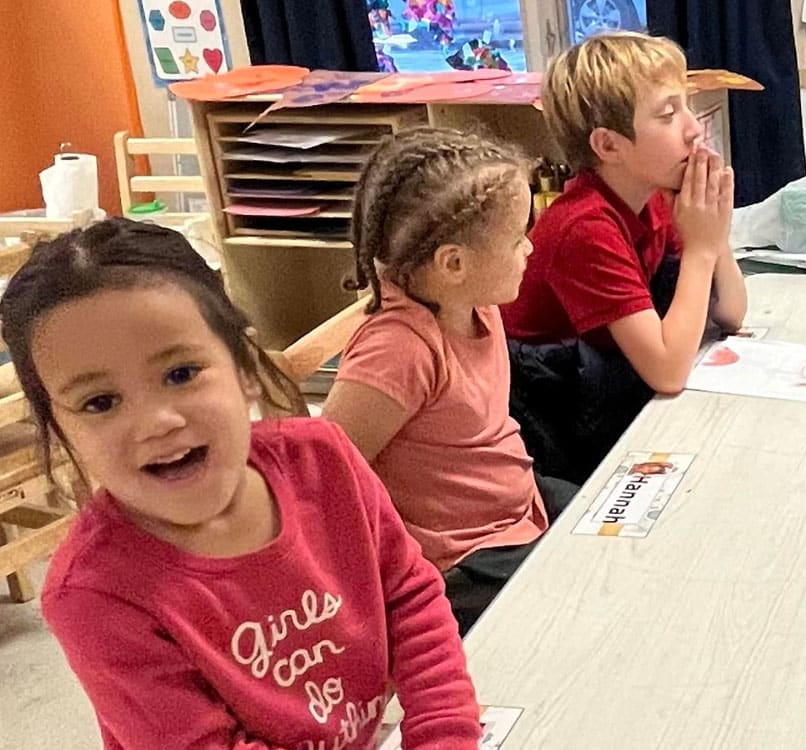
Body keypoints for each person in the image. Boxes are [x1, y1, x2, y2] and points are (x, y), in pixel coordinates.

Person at [0, 218, 481, 750]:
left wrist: (444, 738)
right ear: (58, 429)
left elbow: (411, 600)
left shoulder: (323, 460)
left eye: (181, 373)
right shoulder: (93, 593)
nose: (157, 421)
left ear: (245, 366)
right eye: (100, 402)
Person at [321, 127, 578, 631]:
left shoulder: (475, 302)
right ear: (453, 263)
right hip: (460, 562)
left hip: (518, 508)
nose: (529, 247)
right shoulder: (398, 347)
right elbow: (326, 472)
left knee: (627, 532)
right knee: (581, 601)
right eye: (515, 238)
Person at [499, 31, 746, 483]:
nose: (693, 128)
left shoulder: (649, 196)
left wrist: (714, 231)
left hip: (605, 388)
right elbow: (668, 371)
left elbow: (730, 313)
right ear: (608, 146)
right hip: (547, 415)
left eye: (687, 107)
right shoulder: (585, 228)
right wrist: (702, 247)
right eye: (669, 114)